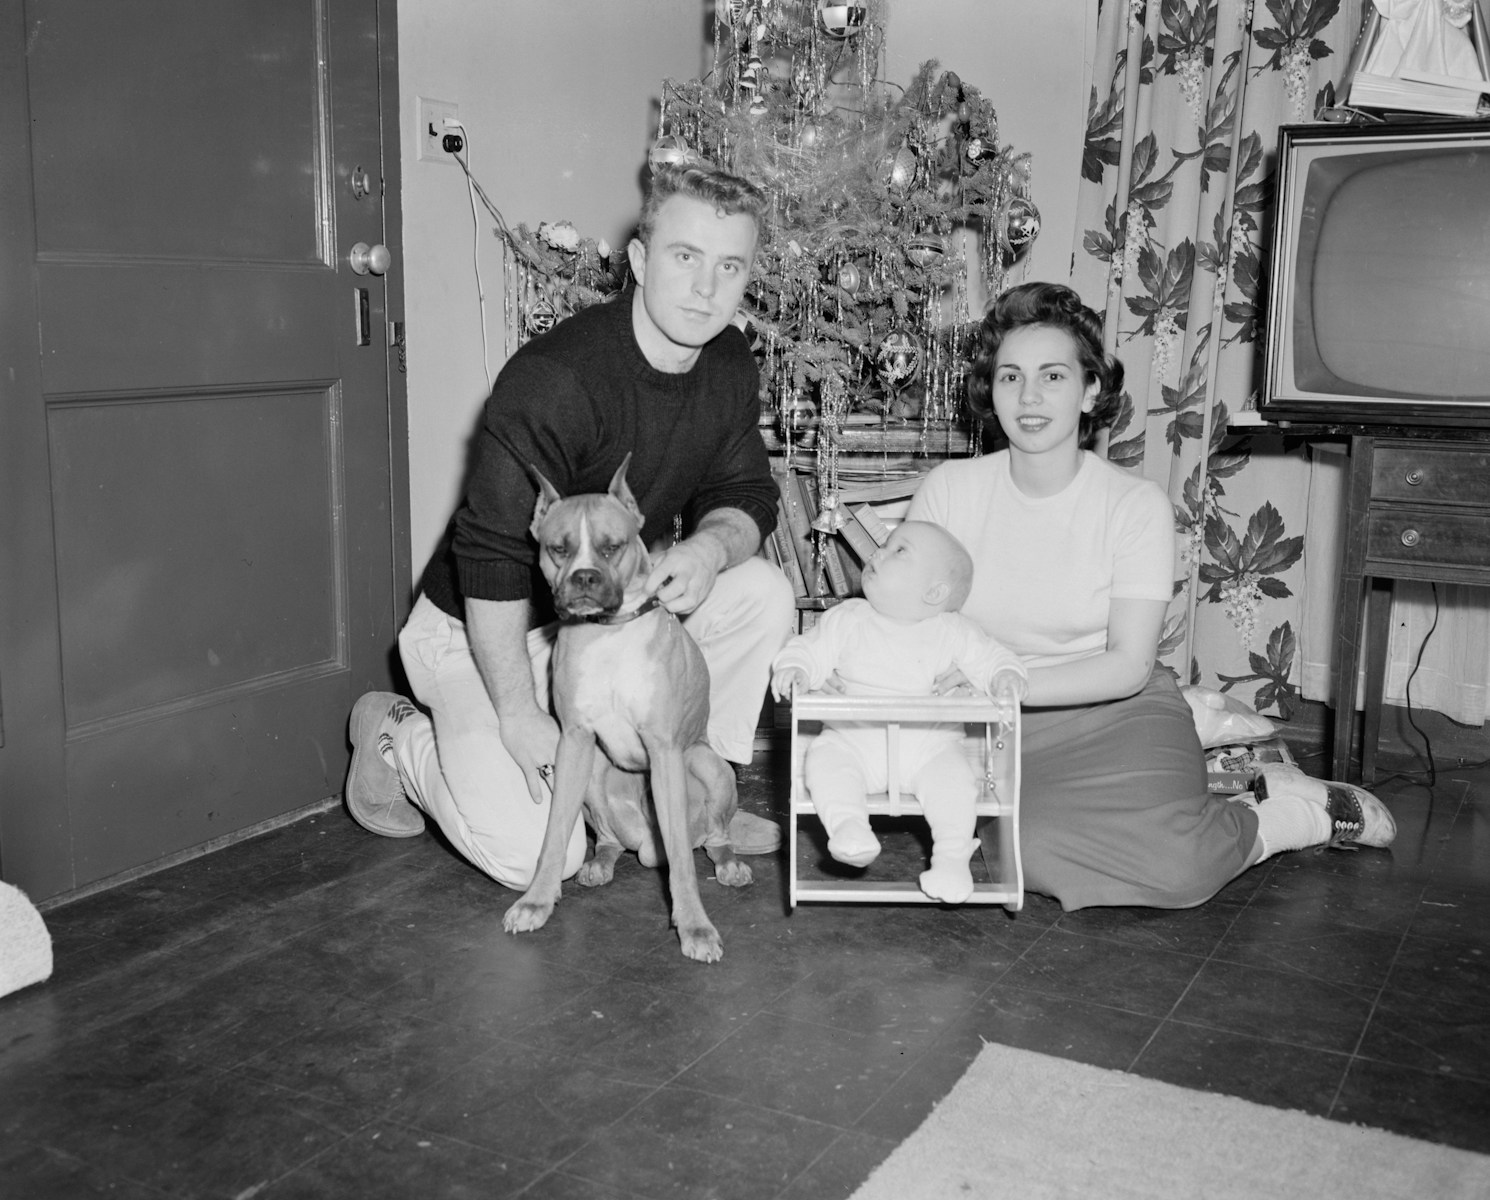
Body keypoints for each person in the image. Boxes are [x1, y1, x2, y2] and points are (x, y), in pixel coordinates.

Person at [345, 162, 795, 890]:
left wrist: (711, 549)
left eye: (730, 267)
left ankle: (686, 794)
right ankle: (398, 734)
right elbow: (490, 555)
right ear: (642, 262)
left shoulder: (728, 362)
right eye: (685, 258)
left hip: (612, 618)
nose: (707, 289)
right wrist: (521, 714)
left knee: (762, 592)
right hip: (487, 633)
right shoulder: (556, 380)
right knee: (534, 856)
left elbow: (746, 491)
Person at [907, 281, 1396, 911]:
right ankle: (1214, 760)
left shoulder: (1132, 504)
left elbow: (1127, 664)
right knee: (1021, 855)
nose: (1029, 397)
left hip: (1112, 710)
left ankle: (1291, 815)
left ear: (1089, 391)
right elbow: (911, 622)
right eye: (1010, 377)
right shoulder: (949, 490)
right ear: (990, 390)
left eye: (1053, 376)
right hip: (989, 724)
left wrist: (994, 681)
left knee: (1176, 869)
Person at [770, 521, 1028, 903]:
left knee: (957, 785)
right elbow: (809, 649)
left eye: (898, 551)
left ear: (934, 592)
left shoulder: (954, 631)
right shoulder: (848, 618)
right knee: (824, 764)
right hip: (852, 740)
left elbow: (993, 658)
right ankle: (849, 828)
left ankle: (952, 860)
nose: (877, 553)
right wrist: (796, 668)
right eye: (885, 545)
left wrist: (1006, 675)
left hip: (931, 748)